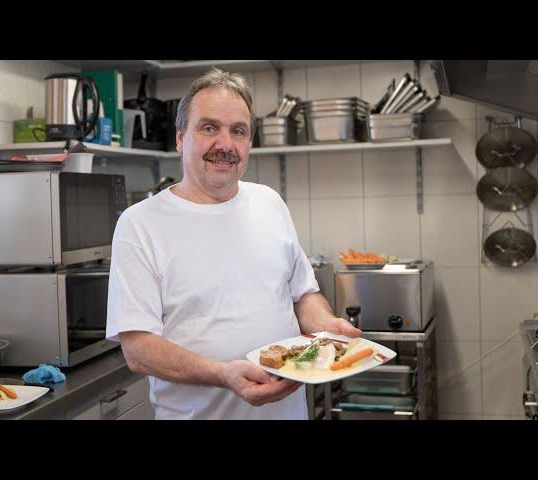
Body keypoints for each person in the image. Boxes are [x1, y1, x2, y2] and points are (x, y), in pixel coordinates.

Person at [106, 68, 361, 420]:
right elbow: (138, 350)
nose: (225, 145)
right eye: (209, 127)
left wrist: (326, 326)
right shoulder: (140, 223)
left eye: (238, 131)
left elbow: (303, 294)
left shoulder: (269, 203)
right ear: (180, 138)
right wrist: (223, 374)